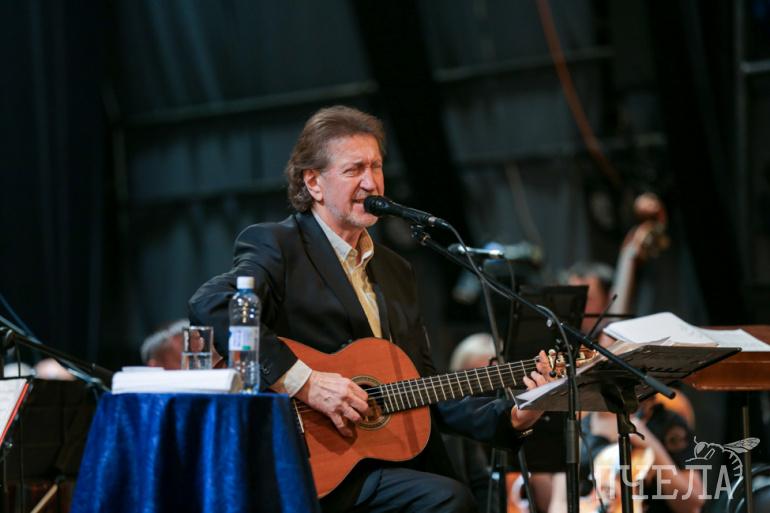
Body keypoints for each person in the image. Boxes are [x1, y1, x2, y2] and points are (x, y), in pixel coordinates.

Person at [189, 106, 554, 513]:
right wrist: (306, 382)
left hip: (382, 461)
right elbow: (211, 304)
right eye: (354, 170)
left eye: (376, 166)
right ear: (313, 182)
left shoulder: (396, 270)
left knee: (464, 494)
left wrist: (511, 417)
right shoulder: (277, 245)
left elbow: (424, 387)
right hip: (303, 464)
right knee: (449, 500)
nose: (371, 182)